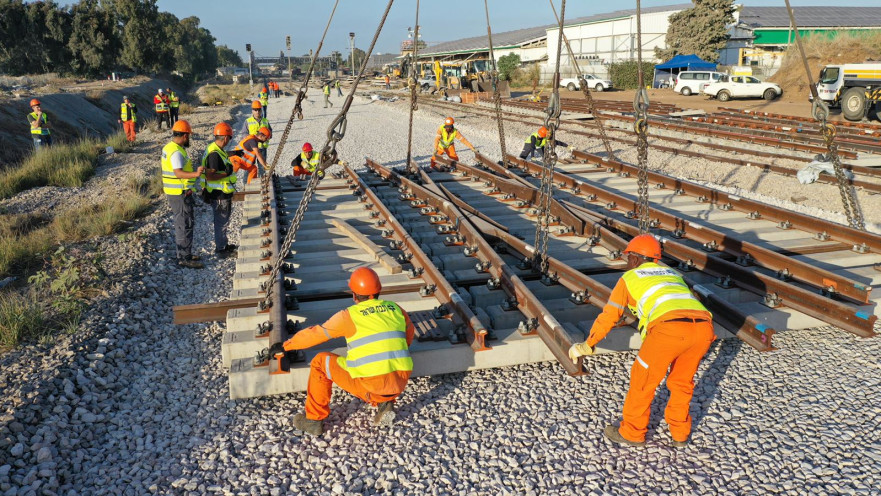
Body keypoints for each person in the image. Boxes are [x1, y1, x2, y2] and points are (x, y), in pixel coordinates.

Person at [568, 234, 715, 448]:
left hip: (668, 330)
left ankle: (632, 433)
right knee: (682, 383)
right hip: (703, 328)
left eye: (628, 257)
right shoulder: (673, 274)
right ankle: (680, 434)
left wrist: (587, 344)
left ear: (635, 259)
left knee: (643, 381)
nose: (627, 262)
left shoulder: (629, 278)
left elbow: (609, 316)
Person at [273, 267, 416, 436]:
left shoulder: (349, 316)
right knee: (379, 369)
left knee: (320, 362)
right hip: (399, 381)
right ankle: (385, 403)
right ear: (378, 290)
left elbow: (316, 334)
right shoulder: (395, 308)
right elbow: (408, 336)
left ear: (354, 295)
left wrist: (285, 346)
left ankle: (313, 420)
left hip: (371, 384)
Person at [160, 120, 205, 268]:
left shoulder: (170, 147)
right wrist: (196, 174)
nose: (189, 139)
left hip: (176, 192)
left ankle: (186, 254)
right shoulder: (176, 152)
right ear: (185, 135)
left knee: (184, 222)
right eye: (188, 136)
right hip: (179, 194)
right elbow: (178, 173)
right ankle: (184, 258)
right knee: (184, 224)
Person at [201, 122, 238, 256]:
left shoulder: (215, 149)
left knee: (222, 222)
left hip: (220, 193)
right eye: (230, 138)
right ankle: (221, 249)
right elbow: (210, 176)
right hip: (219, 195)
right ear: (226, 138)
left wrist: (233, 153)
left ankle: (223, 245)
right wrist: (226, 173)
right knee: (221, 222)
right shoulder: (214, 154)